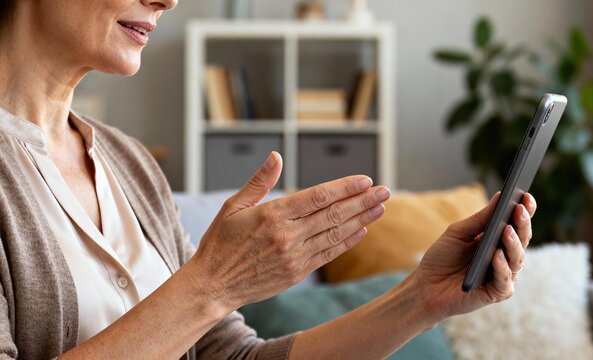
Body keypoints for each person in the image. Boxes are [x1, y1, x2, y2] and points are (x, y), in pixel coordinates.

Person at [0, 0, 536, 358]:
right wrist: (212, 284)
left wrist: (422, 300)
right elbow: (203, 296)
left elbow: (233, 358)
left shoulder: (130, 163)